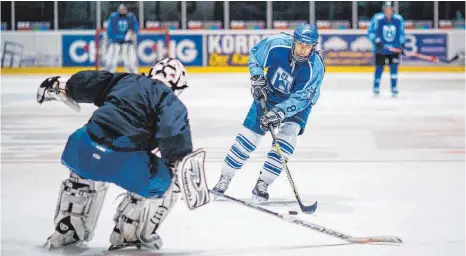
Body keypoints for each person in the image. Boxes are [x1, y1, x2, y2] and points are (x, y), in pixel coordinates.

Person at [37, 58, 205, 250]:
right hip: (122, 161)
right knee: (169, 181)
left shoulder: (126, 80)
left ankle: (68, 228)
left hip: (80, 147)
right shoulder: (169, 99)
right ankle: (129, 234)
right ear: (178, 86)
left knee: (86, 165)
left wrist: (61, 85)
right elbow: (173, 136)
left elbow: (88, 83)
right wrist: (179, 162)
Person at [212, 24, 325, 204]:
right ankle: (225, 178)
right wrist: (257, 78)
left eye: (308, 45)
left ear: (314, 46)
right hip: (270, 93)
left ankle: (263, 183)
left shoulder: (316, 67)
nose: (304, 50)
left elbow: (302, 98)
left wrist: (279, 113)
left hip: (299, 104)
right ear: (294, 41)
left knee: (287, 138)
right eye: (301, 44)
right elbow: (256, 56)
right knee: (248, 138)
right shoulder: (276, 43)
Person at [367, 1, 406, 96]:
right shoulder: (377, 18)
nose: (388, 11)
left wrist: (402, 43)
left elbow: (401, 33)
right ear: (383, 9)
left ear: (393, 9)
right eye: (386, 9)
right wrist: (376, 40)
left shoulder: (398, 19)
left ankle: (394, 87)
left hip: (394, 49)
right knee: (379, 68)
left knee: (394, 69)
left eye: (390, 9)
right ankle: (376, 87)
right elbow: (370, 32)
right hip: (380, 50)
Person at [104, 4, 139, 73]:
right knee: (110, 61)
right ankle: (107, 75)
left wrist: (131, 34)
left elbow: (135, 28)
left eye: (124, 9)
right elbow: (109, 31)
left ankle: (133, 75)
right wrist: (119, 38)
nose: (122, 11)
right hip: (115, 43)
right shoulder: (113, 17)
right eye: (121, 10)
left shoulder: (131, 17)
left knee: (130, 62)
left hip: (127, 43)